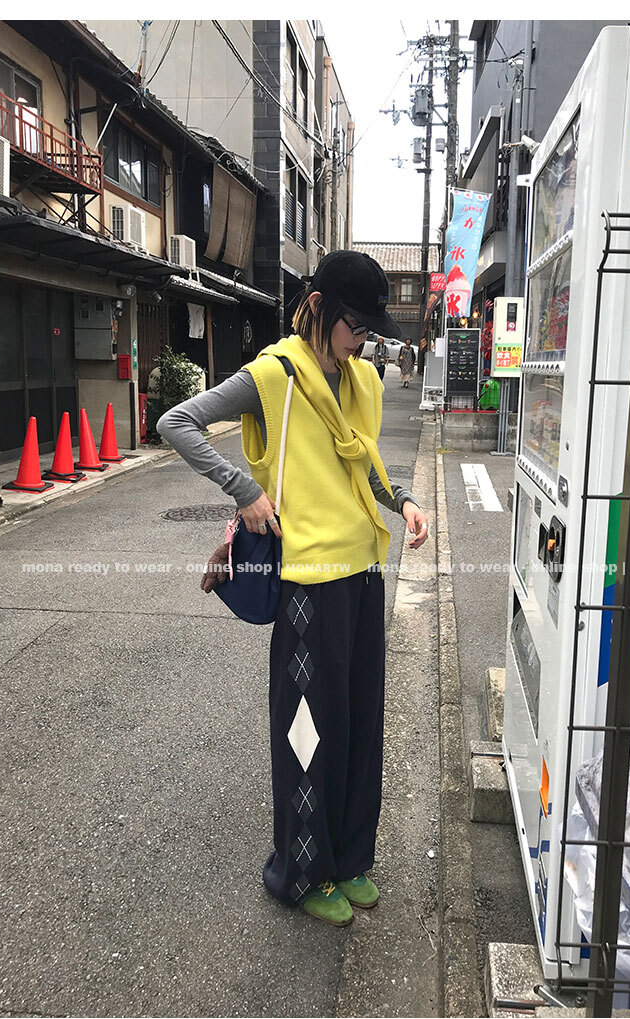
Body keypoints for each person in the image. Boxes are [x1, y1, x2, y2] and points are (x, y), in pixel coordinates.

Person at [157, 250, 429, 928]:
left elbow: (364, 462)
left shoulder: (361, 379)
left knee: (360, 724)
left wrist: (402, 499)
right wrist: (244, 492)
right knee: (309, 730)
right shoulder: (274, 374)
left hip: (363, 573)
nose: (360, 339)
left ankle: (350, 858)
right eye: (352, 325)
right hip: (308, 582)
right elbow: (177, 423)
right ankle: (302, 873)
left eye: (367, 329)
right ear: (317, 306)